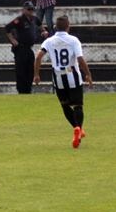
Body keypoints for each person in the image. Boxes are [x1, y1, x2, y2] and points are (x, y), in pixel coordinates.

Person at [33, 16, 92, 149]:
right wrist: (88, 74)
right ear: (68, 26)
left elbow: (38, 56)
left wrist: (36, 74)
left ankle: (76, 127)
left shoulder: (49, 41)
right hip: (73, 77)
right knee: (78, 106)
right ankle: (79, 128)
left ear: (55, 27)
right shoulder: (73, 40)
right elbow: (80, 59)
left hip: (58, 78)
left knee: (65, 106)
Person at [6, 1, 47, 94]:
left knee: (30, 70)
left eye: (32, 9)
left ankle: (28, 90)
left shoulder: (34, 19)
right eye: (29, 9)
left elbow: (41, 26)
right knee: (21, 71)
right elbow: (7, 28)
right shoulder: (19, 20)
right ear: (24, 10)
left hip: (29, 48)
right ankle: (21, 90)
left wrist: (43, 31)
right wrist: (12, 40)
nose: (31, 11)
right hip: (20, 49)